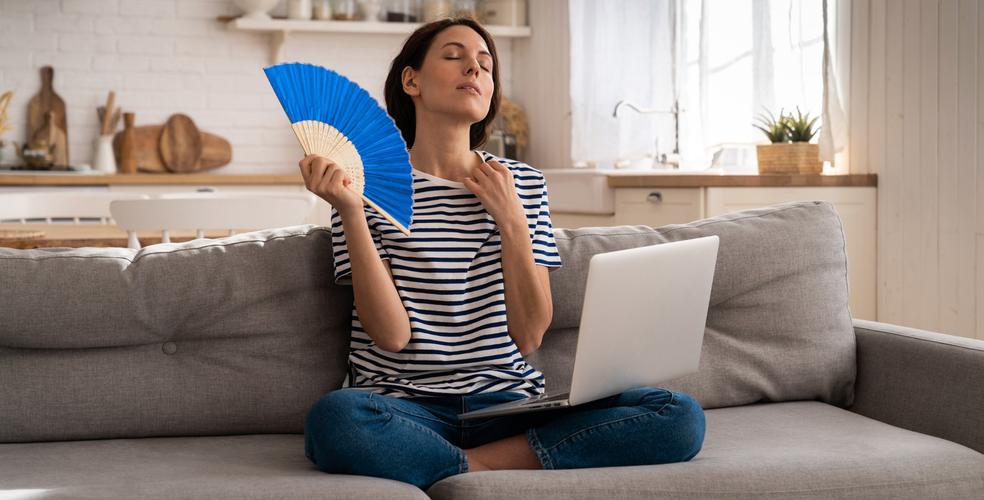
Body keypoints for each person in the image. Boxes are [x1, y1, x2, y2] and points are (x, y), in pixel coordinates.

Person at [299, 16, 705, 490]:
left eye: (485, 65)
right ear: (412, 80)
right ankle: (493, 467)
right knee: (335, 419)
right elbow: (391, 336)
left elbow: (530, 333)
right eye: (454, 57)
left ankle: (463, 466)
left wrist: (512, 220)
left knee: (678, 416)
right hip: (404, 405)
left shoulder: (524, 185)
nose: (473, 68)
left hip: (506, 406)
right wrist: (350, 212)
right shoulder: (362, 189)